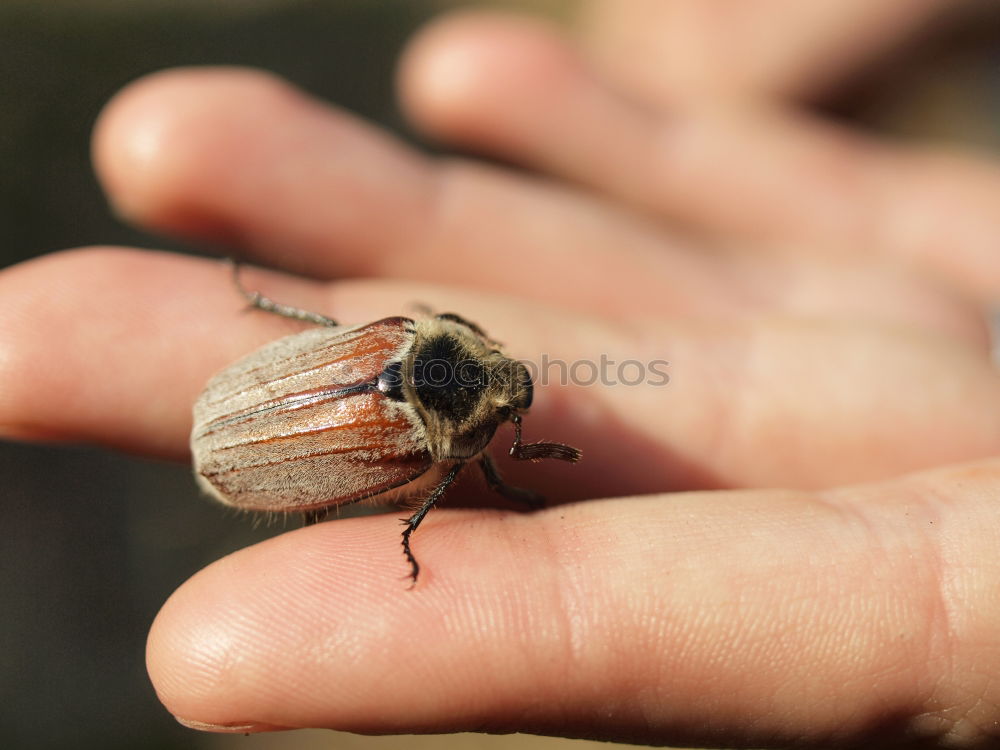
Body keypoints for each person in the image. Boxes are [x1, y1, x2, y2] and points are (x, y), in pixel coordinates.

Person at [2, 1, 999, 746]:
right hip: (255, 426)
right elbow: (431, 475)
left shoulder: (404, 341)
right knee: (401, 482)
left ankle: (286, 366)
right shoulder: (424, 432)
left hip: (254, 414)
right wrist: (464, 494)